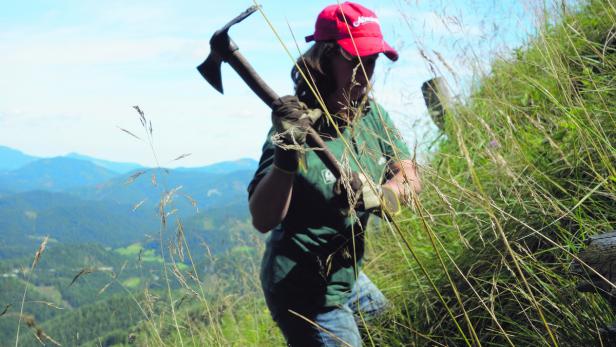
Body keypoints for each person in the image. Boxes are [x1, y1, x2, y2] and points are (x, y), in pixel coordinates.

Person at [247, 2, 421, 346]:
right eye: (354, 61)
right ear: (324, 60)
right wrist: (286, 156)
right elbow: (263, 218)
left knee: (398, 334)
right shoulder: (297, 126)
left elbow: (409, 176)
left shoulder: (370, 113)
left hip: (347, 276)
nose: (365, 75)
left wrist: (381, 193)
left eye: (370, 62)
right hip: (304, 291)